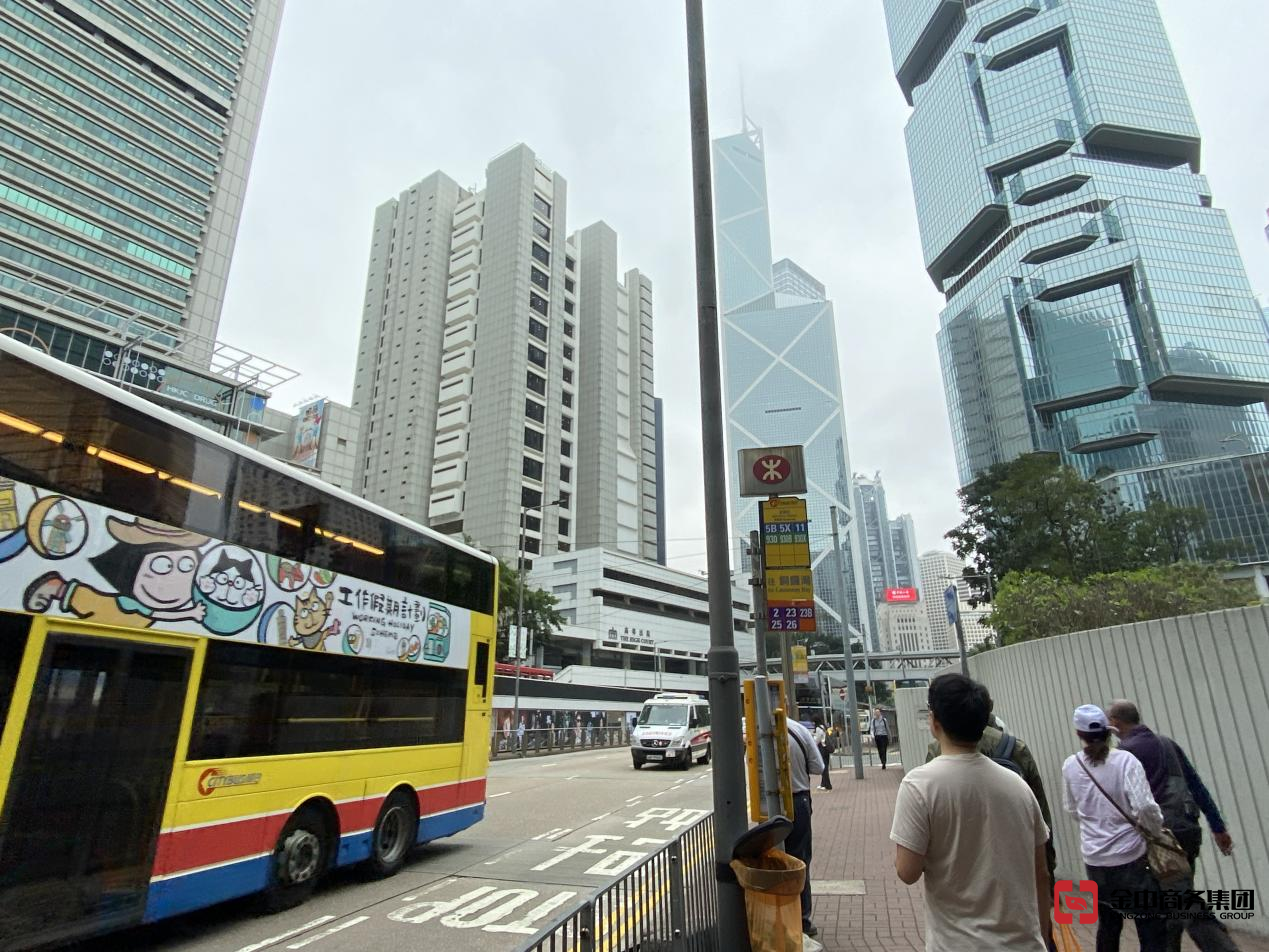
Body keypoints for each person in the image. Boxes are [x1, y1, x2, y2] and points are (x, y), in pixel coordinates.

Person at [891, 673, 1051, 950]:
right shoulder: (1018, 787)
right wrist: (1045, 937)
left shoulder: (919, 785)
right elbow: (1041, 872)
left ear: (935, 722)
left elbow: (907, 872)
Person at [1106, 700, 1239, 952]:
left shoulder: (1124, 755)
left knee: (1181, 903)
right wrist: (1218, 826)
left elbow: (1126, 803)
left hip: (1160, 841)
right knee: (1173, 906)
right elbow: (1196, 785)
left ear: (1114, 723)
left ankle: (1223, 947)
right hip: (1188, 832)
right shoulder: (1167, 744)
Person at [1062, 704, 1169, 952]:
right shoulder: (1125, 761)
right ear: (1108, 730)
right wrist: (1154, 831)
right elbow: (1143, 806)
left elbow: (1070, 808)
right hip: (1132, 857)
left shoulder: (1071, 765)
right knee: (1150, 924)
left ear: (1079, 734)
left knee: (1109, 924)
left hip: (1095, 860)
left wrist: (1095, 823)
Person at [926, 702, 1057, 888]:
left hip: (963, 874)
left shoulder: (937, 751)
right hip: (1017, 867)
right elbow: (1042, 818)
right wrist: (1049, 873)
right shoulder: (1016, 748)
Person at [785, 716, 824, 938]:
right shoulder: (799, 730)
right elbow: (818, 767)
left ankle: (778, 914)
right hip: (798, 802)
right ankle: (802, 920)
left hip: (768, 809)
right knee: (800, 862)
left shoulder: (757, 730)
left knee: (773, 861)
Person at [811, 715, 833, 791]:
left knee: (824, 767)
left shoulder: (818, 728)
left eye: (813, 722)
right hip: (826, 749)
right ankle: (823, 784)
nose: (812, 724)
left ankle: (827, 785)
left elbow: (817, 740)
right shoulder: (823, 727)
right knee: (824, 766)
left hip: (822, 749)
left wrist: (812, 743)